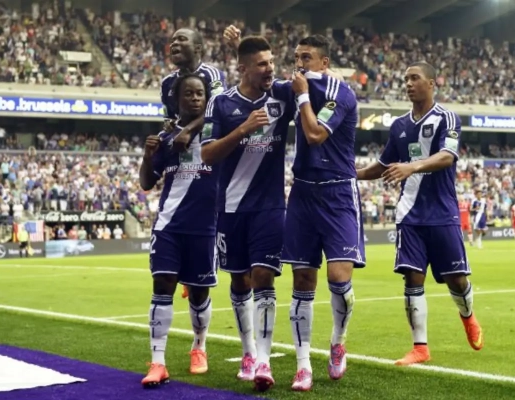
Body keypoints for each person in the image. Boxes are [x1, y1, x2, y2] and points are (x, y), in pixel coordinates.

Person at [356, 62, 483, 366]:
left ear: (431, 83)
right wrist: (353, 174)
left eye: (415, 78)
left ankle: (468, 316)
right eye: (406, 79)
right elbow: (383, 164)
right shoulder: (399, 125)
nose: (409, 84)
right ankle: (420, 347)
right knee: (412, 276)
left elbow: (447, 156)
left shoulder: (446, 118)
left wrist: (411, 166)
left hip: (442, 213)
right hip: (409, 214)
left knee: (456, 280)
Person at [200, 36, 294, 393]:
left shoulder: (281, 96)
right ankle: (248, 352)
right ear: (242, 68)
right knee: (239, 281)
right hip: (231, 207)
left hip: (270, 206)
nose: (270, 69)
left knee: (264, 276)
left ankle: (264, 360)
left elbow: (307, 89)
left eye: (272, 63)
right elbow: (207, 154)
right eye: (262, 64)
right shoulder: (221, 104)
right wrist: (243, 129)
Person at [272, 35, 363, 390]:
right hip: (303, 193)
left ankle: (338, 340)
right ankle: (303, 365)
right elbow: (261, 84)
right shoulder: (294, 85)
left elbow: (313, 134)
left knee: (339, 279)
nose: (299, 63)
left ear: (324, 63)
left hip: (338, 192)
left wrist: (302, 95)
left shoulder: (340, 92)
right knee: (302, 281)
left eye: (306, 57)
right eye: (296, 57)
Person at [139, 73, 218, 387]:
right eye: (189, 94)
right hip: (169, 225)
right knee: (162, 286)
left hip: (205, 226)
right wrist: (148, 157)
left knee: (199, 293)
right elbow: (147, 183)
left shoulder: (216, 131)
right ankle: (158, 362)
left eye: (200, 94)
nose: (195, 98)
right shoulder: (166, 137)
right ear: (177, 99)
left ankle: (199, 347)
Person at [161, 27, 225, 300]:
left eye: (181, 39)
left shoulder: (211, 74)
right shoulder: (167, 82)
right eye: (172, 40)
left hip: (209, 150)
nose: (174, 44)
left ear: (198, 48)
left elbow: (217, 109)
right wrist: (171, 131)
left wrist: (188, 131)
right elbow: (170, 119)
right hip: (182, 156)